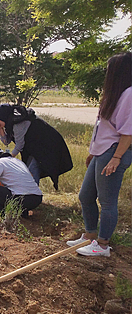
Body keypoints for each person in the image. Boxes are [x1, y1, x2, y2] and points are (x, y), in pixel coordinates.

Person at [66, 52, 132, 257]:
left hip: (113, 152)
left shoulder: (129, 94)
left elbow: (128, 131)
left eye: (110, 69)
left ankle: (102, 245)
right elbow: (103, 127)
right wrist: (93, 153)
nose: (106, 73)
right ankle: (90, 235)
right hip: (102, 152)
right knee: (85, 195)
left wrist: (116, 157)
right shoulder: (116, 94)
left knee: (107, 201)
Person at [0, 104, 73, 188]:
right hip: (35, 148)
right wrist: (0, 129)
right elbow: (6, 142)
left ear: (3, 116)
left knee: (32, 169)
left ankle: (32, 194)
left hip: (48, 146)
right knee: (27, 170)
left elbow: (19, 145)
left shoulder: (18, 124)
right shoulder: (10, 123)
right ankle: (29, 193)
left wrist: (8, 159)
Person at [0, 146, 43, 218]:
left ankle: (2, 212)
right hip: (36, 199)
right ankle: (23, 213)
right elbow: (31, 176)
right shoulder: (18, 161)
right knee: (17, 190)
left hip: (20, 199)